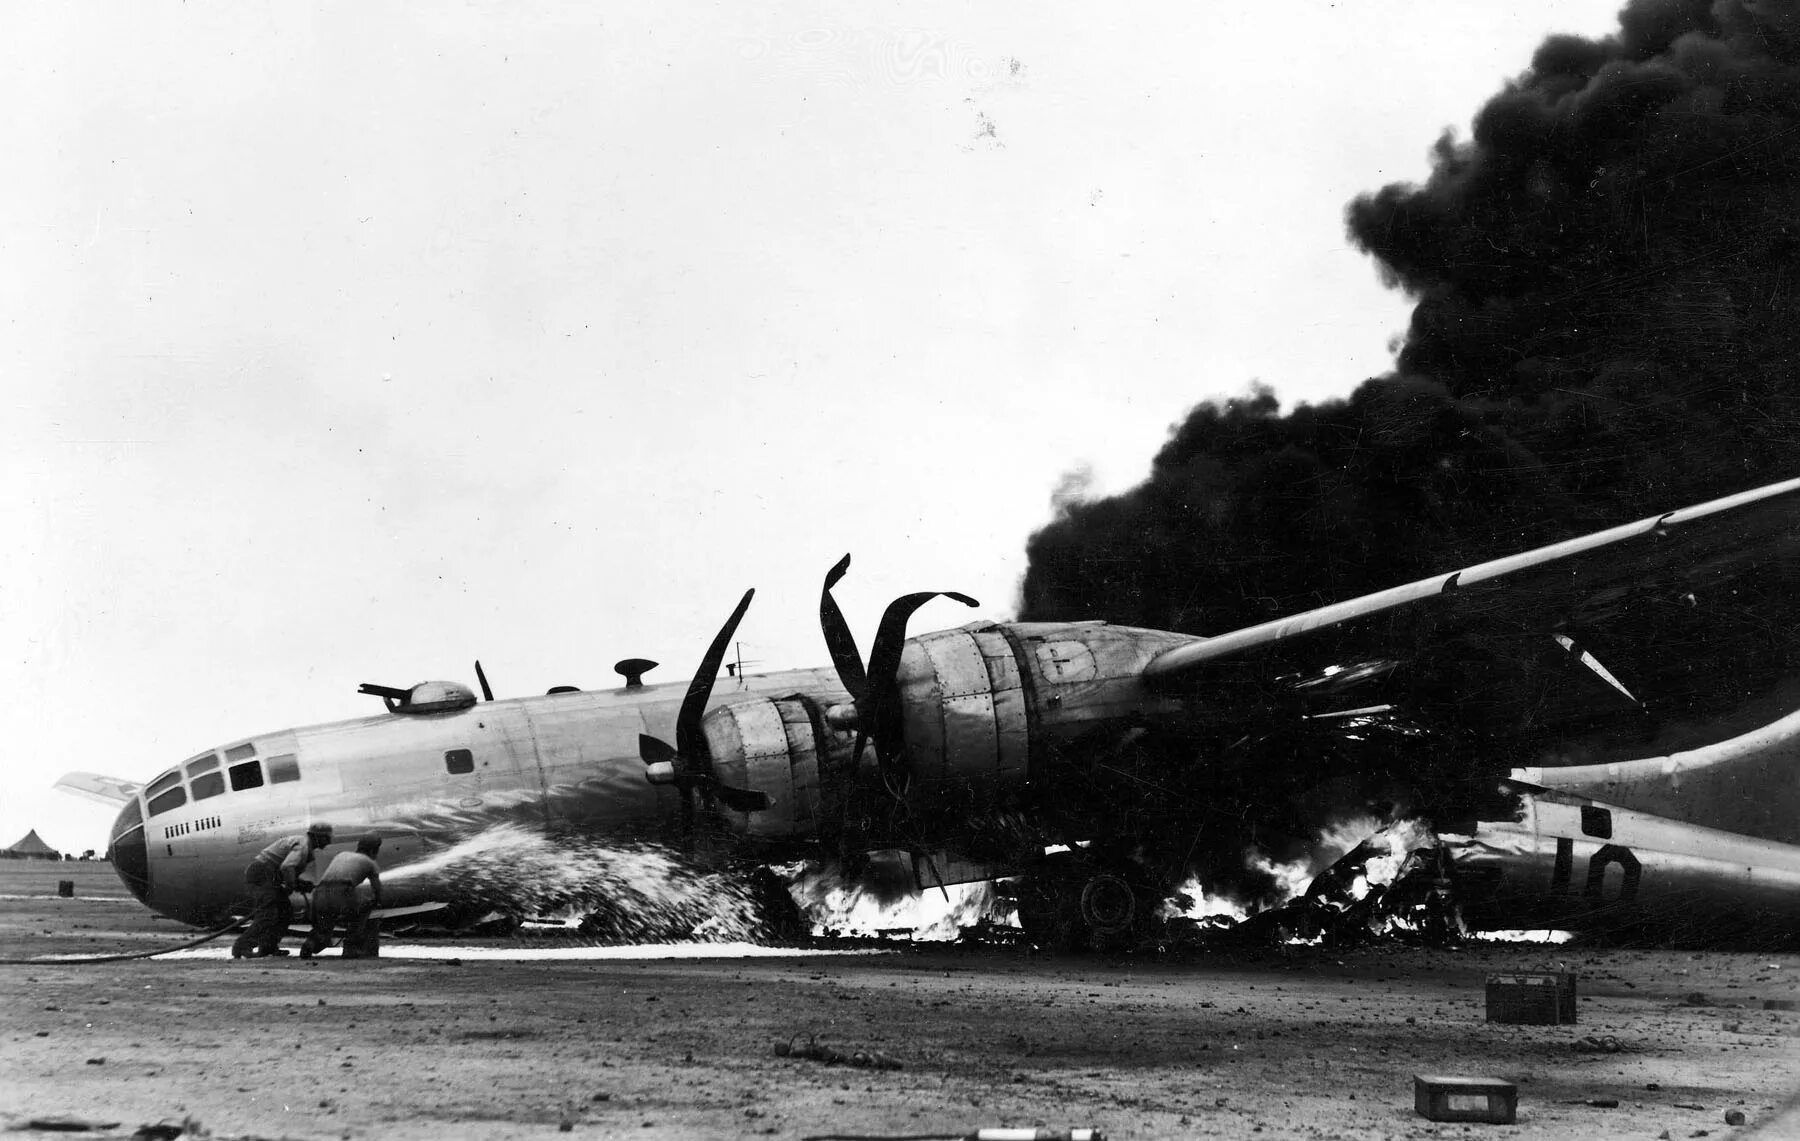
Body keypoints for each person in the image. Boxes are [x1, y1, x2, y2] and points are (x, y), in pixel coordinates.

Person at [230, 823, 333, 959]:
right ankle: (241, 947)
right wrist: (291, 885)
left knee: (285, 912)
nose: (329, 841)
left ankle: (268, 947)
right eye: (327, 838)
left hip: (268, 875)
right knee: (268, 912)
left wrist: (300, 884)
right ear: (317, 837)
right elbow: (287, 867)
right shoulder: (302, 846)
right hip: (262, 873)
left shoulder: (305, 847)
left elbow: (287, 871)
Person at [300, 832, 384, 960]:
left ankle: (310, 944)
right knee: (363, 910)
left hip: (320, 892)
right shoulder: (370, 863)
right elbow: (377, 889)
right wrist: (376, 901)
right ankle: (351, 948)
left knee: (323, 927)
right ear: (374, 850)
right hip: (341, 891)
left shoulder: (342, 855)